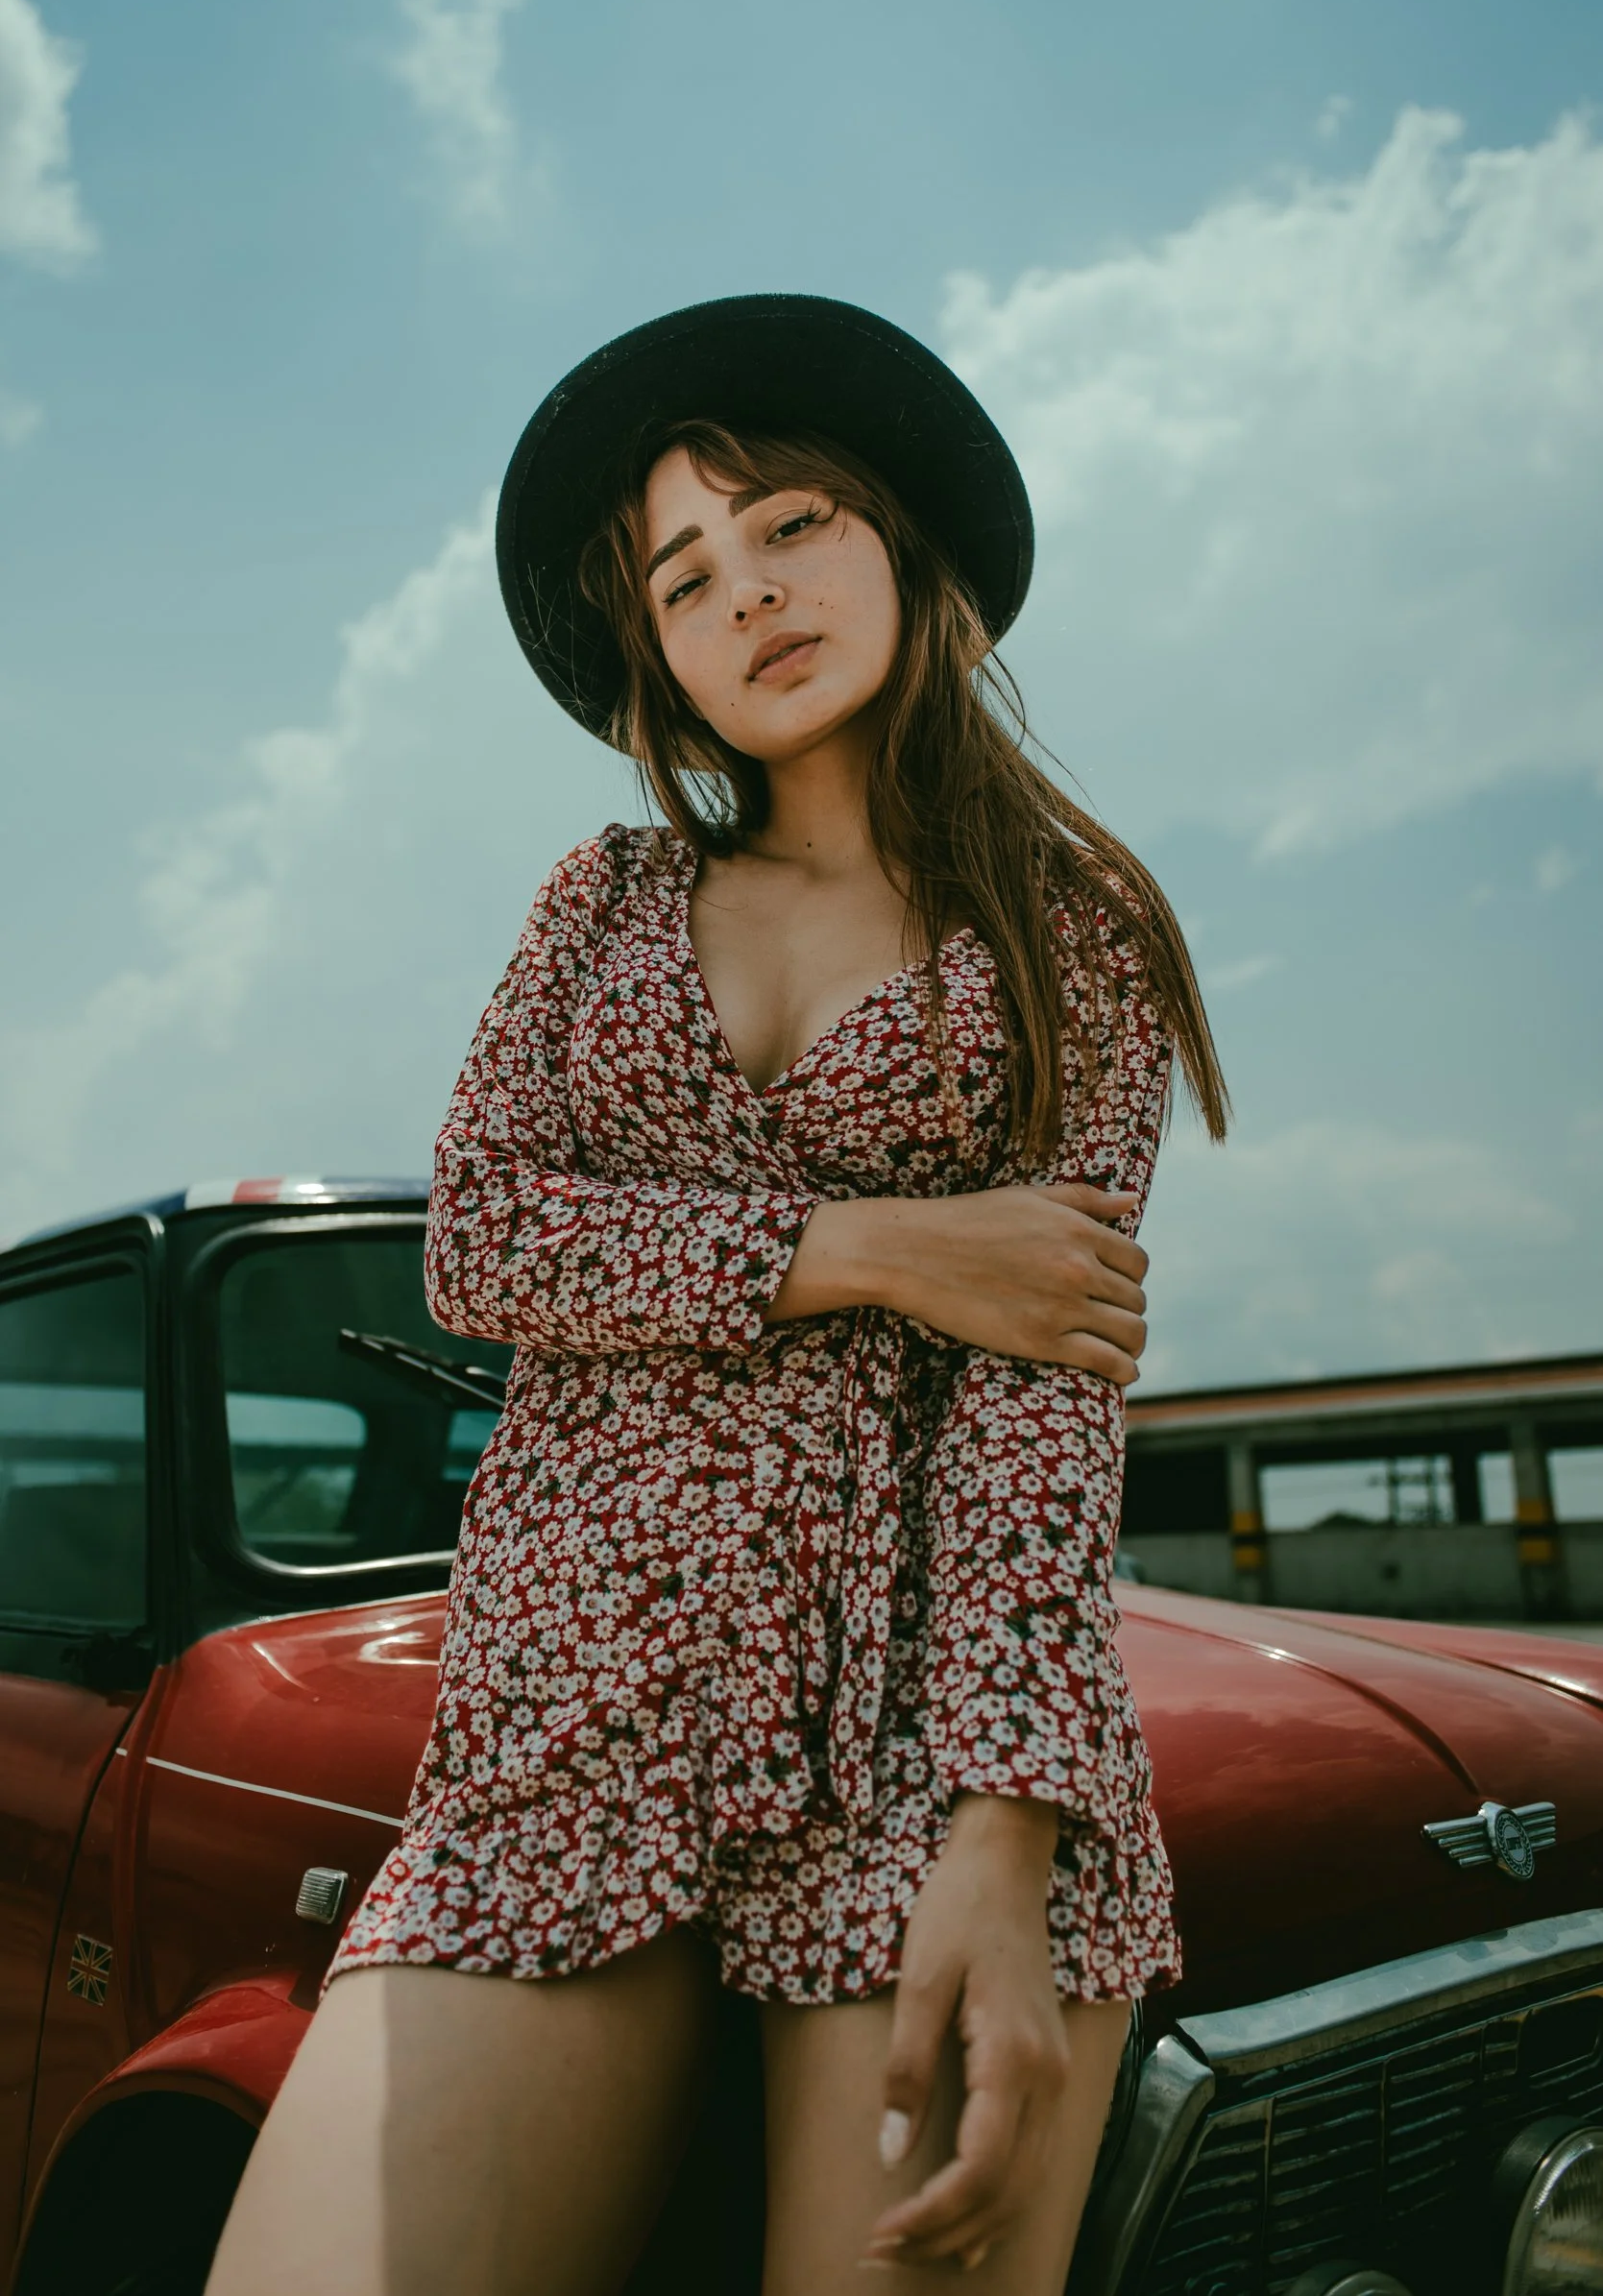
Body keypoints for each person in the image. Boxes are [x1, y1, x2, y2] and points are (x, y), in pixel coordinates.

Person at [206, 295, 1227, 2296]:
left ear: (902, 539)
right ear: (654, 652)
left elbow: (1046, 1396)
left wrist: (1004, 1847)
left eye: (793, 525)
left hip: (913, 1750)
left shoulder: (1065, 930)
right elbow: (484, 1236)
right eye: (687, 575)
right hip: (559, 1723)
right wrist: (867, 1244)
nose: (747, 593)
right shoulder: (598, 897)